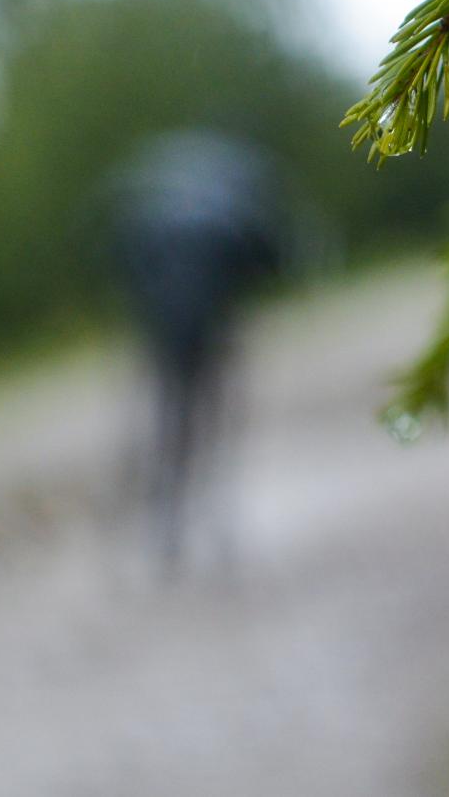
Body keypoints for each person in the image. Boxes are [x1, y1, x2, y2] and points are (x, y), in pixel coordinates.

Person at [109, 131, 284, 570]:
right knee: (211, 425)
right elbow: (266, 260)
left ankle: (167, 528)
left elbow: (125, 263)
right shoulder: (227, 215)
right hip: (208, 333)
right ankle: (211, 522)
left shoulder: (153, 214)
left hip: (164, 335)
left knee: (169, 426)